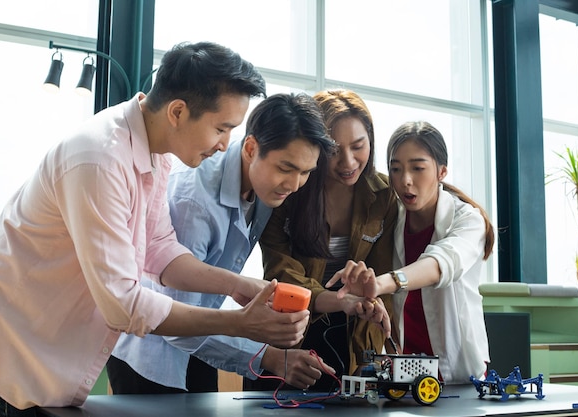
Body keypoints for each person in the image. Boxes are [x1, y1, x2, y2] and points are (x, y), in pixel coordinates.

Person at [0, 41, 311, 414]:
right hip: (15, 356)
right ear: (178, 111)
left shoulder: (153, 153)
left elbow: (160, 248)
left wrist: (240, 285)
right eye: (221, 128)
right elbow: (123, 303)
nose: (226, 144)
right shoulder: (99, 158)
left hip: (46, 356)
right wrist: (239, 324)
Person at [108, 92, 339, 394]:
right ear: (251, 148)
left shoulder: (266, 189)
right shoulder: (194, 201)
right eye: (285, 169)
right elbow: (174, 320)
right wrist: (271, 357)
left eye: (305, 172)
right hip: (151, 353)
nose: (294, 184)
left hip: (207, 338)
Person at [327, 121, 496, 384]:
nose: (406, 180)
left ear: (441, 171)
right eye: (396, 169)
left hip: (460, 374)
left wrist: (383, 283)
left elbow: (441, 264)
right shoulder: (390, 219)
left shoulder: (467, 220)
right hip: (404, 372)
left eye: (418, 168)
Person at [250, 89, 397, 392]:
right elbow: (281, 272)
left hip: (354, 338)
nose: (348, 161)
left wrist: (370, 297)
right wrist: (338, 301)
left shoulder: (384, 196)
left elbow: (386, 274)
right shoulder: (289, 190)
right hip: (291, 332)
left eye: (358, 146)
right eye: (332, 150)